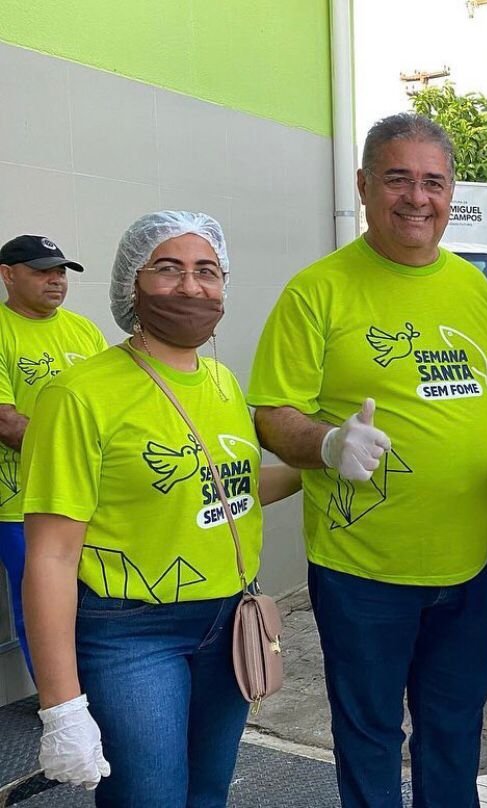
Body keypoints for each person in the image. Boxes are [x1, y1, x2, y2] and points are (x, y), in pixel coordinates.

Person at [248, 113, 487, 806]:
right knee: (369, 735)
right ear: (364, 185)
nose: (417, 197)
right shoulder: (317, 291)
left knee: (454, 729)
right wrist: (327, 444)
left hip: (465, 565)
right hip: (362, 570)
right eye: (398, 179)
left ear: (451, 192)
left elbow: (486, 396)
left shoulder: (473, 288)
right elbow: (272, 413)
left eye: (433, 182)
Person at [20, 211, 301, 805]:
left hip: (230, 619)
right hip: (132, 632)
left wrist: (323, 459)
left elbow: (229, 490)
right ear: (132, 283)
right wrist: (61, 706)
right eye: (168, 269)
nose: (191, 287)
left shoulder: (223, 383)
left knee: (208, 795)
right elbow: (50, 556)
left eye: (207, 271)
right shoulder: (78, 395)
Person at [0, 235, 107, 677]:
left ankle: (96, 689)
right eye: (42, 271)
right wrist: (79, 451)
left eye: (60, 272)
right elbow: (5, 421)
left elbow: (111, 405)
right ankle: (57, 699)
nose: (56, 280)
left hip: (88, 494)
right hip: (21, 503)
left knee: (92, 600)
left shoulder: (84, 329)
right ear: (8, 275)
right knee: (40, 604)